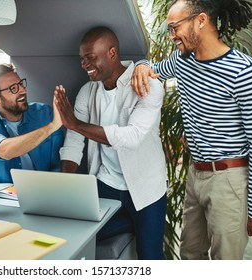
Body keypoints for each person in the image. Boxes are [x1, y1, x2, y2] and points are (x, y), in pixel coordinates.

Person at [131, 0, 252, 259]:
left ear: (201, 20)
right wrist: (141, 64)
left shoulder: (245, 72)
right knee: (190, 255)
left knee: (224, 262)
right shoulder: (182, 61)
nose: (171, 36)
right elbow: (154, 70)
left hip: (230, 179)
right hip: (196, 175)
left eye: (174, 27)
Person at [54, 26, 168, 259]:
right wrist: (64, 187)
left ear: (112, 53)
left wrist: (75, 123)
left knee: (150, 256)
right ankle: (129, 222)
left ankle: (137, 223)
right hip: (105, 184)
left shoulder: (147, 85)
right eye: (82, 59)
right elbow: (74, 140)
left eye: (90, 58)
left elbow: (131, 137)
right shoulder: (87, 92)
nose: (85, 64)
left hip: (146, 189)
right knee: (77, 238)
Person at [0, 63, 64, 183]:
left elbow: (59, 162)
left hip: (46, 190)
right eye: (13, 88)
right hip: (4, 197)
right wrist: (51, 127)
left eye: (21, 84)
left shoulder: (45, 114)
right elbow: (4, 151)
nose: (23, 90)